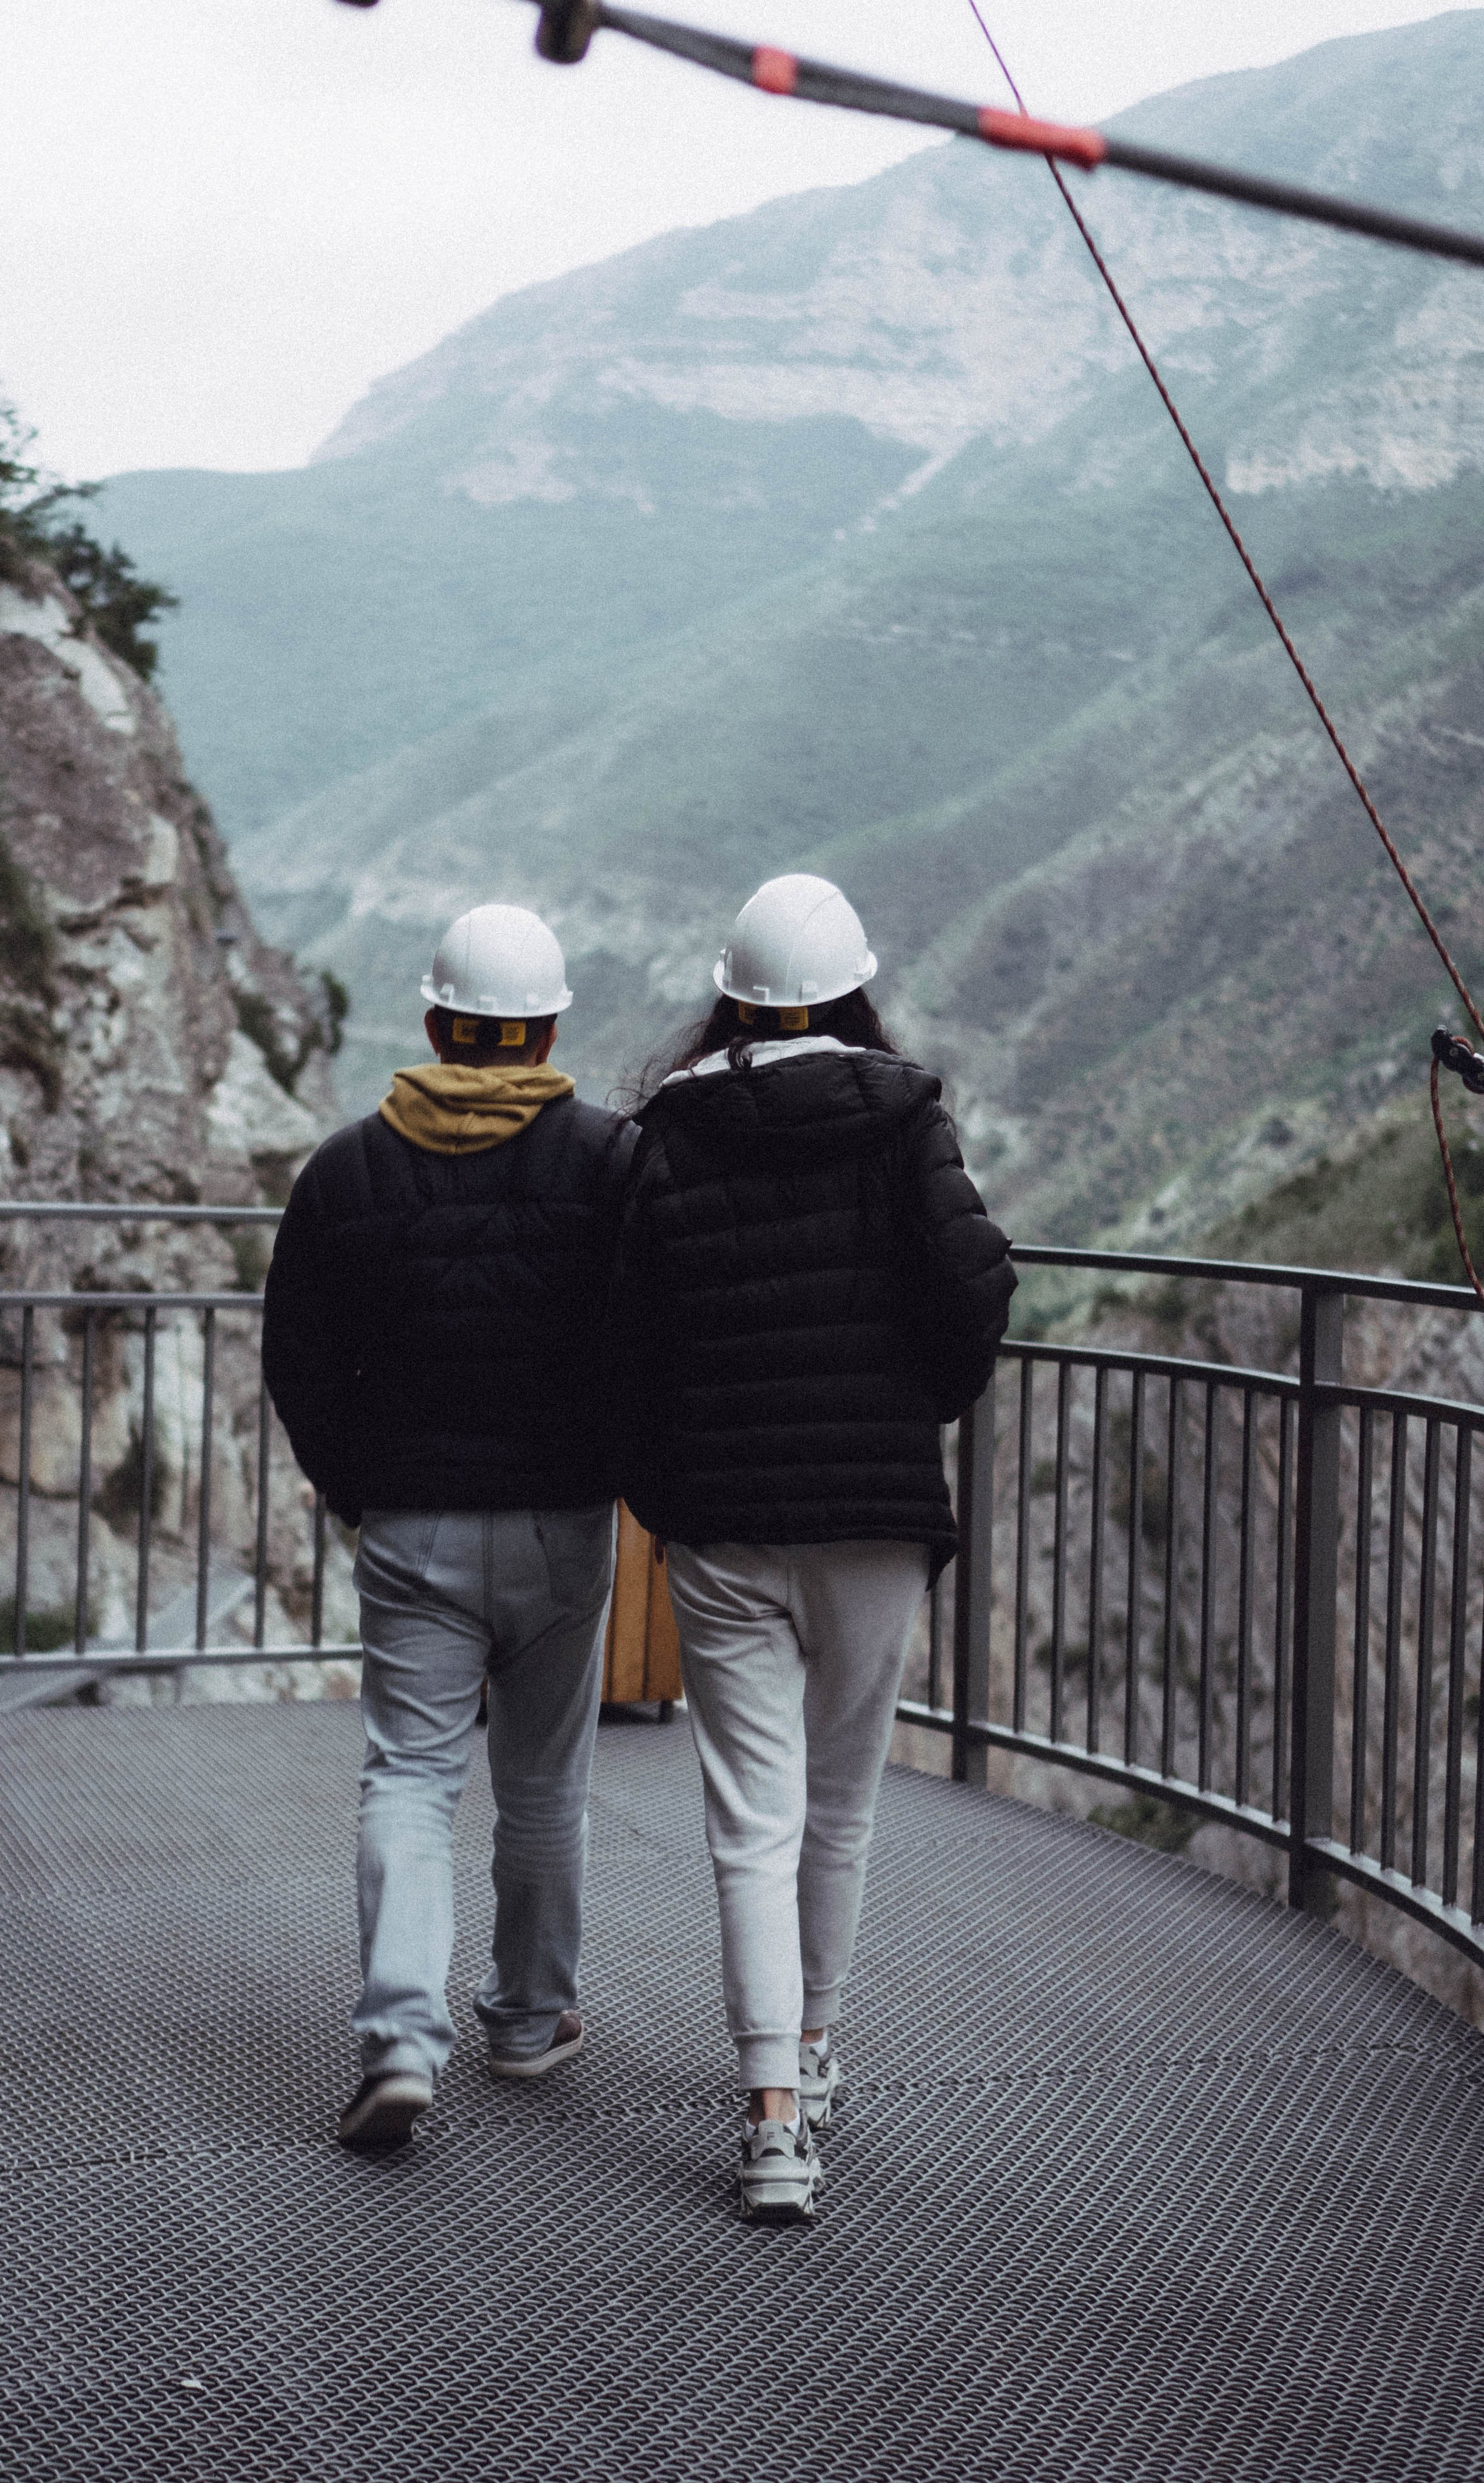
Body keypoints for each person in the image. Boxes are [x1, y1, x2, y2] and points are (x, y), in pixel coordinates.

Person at [611, 873, 1015, 2222]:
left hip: (725, 1521)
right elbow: (972, 1293)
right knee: (839, 1812)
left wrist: (670, 1491)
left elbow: (625, 1337)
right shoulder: (906, 1118)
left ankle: (771, 2116)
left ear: (729, 990)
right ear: (851, 985)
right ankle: (821, 2049)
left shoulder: (665, 1130)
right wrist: (908, 1414)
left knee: (748, 1824)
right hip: (875, 1520)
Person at [263, 903, 634, 2146]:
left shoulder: (347, 1168)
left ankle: (400, 2040)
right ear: (545, 1034)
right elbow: (651, 1340)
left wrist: (356, 1485)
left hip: (412, 1524)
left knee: (412, 1780)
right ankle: (530, 2021)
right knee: (541, 1783)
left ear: (433, 1024)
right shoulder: (609, 1162)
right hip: (564, 1523)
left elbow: (299, 1360)